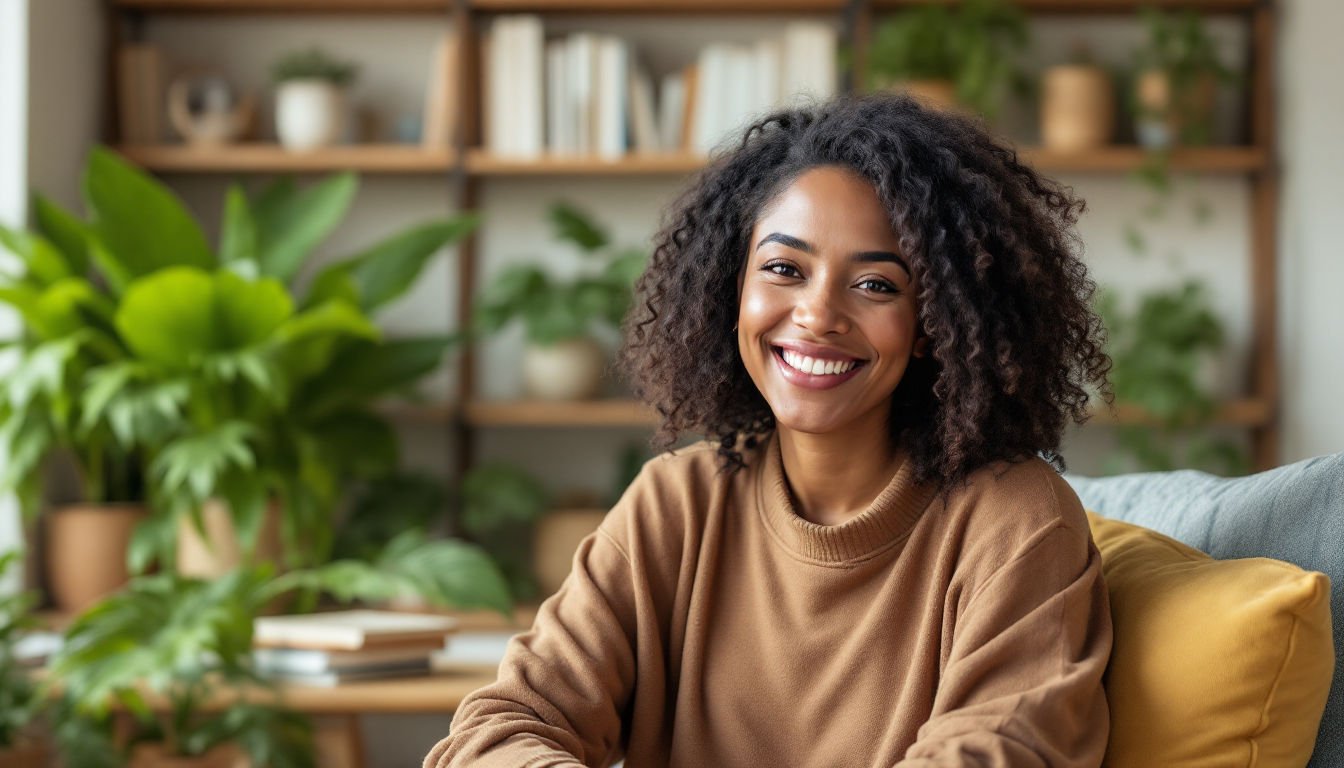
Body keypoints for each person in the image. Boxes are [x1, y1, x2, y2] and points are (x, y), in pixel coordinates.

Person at [425, 94, 1114, 767]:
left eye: (876, 285)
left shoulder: (1016, 522)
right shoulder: (676, 505)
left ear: (934, 323)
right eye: (784, 269)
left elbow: (999, 750)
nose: (817, 315)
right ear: (734, 289)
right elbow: (499, 726)